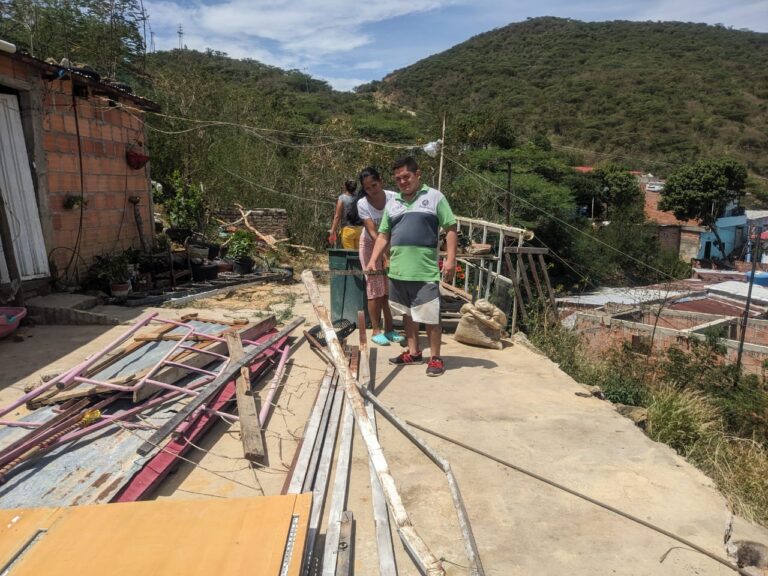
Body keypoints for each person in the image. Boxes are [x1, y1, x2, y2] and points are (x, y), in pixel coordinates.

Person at [365, 156, 457, 377]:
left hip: (424, 271)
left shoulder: (435, 197)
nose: (402, 182)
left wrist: (451, 259)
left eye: (406, 176)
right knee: (407, 314)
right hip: (398, 271)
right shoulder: (393, 203)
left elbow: (450, 228)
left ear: (417, 174)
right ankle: (414, 352)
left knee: (430, 317)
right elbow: (383, 235)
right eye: (398, 179)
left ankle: (435, 358)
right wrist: (373, 259)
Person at [357, 167, 404, 347]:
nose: (372, 190)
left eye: (374, 185)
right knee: (374, 289)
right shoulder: (362, 204)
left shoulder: (394, 198)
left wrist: (392, 250)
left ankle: (390, 329)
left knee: (388, 290)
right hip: (370, 246)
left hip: (392, 245)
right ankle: (376, 330)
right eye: (367, 188)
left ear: (381, 181)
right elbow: (372, 232)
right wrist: (383, 254)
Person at [329, 180, 362, 250]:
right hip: (360, 230)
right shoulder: (359, 198)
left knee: (350, 254)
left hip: (347, 229)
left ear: (345, 187)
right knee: (359, 254)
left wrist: (333, 230)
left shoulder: (342, 198)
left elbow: (337, 216)